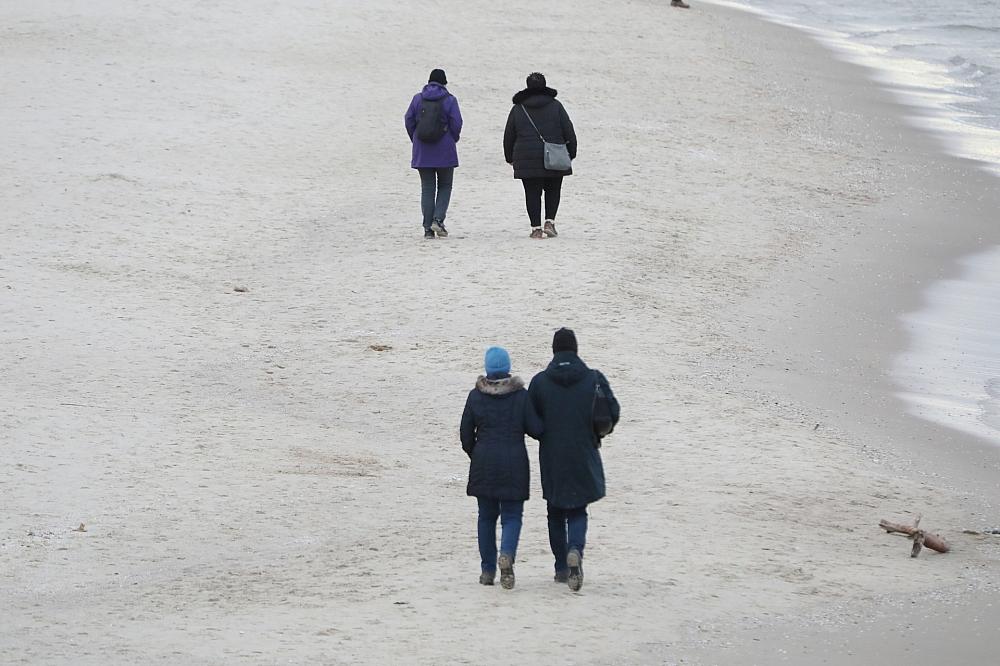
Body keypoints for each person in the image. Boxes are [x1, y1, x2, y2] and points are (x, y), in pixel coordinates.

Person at [528, 328, 620, 591]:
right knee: (578, 509)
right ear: (576, 350)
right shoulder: (593, 379)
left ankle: (560, 567)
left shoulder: (540, 382)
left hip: (552, 455)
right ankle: (575, 551)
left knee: (555, 512)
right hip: (583, 452)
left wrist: (543, 434)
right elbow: (612, 411)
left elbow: (530, 420)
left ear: (554, 350)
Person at [460, 346, 543, 589]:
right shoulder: (520, 396)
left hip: (483, 461)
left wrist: (476, 453)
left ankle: (487, 570)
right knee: (512, 516)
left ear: (487, 369)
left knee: (485, 517)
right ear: (507, 368)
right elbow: (536, 429)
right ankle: (506, 554)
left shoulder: (475, 396)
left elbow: (465, 433)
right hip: (514, 461)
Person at [503, 72, 577, 239]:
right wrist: (571, 153)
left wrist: (510, 157)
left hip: (526, 158)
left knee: (532, 192)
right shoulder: (556, 106)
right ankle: (549, 222)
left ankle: (536, 228)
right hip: (554, 155)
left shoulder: (518, 108)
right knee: (553, 189)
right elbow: (568, 130)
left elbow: (509, 135)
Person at [405, 68, 463, 239]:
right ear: (445, 82)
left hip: (422, 150)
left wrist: (415, 139)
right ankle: (438, 220)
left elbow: (408, 120)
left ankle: (427, 229)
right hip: (444, 149)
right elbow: (457, 123)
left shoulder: (418, 99)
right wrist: (452, 139)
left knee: (427, 188)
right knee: (445, 186)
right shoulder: (450, 100)